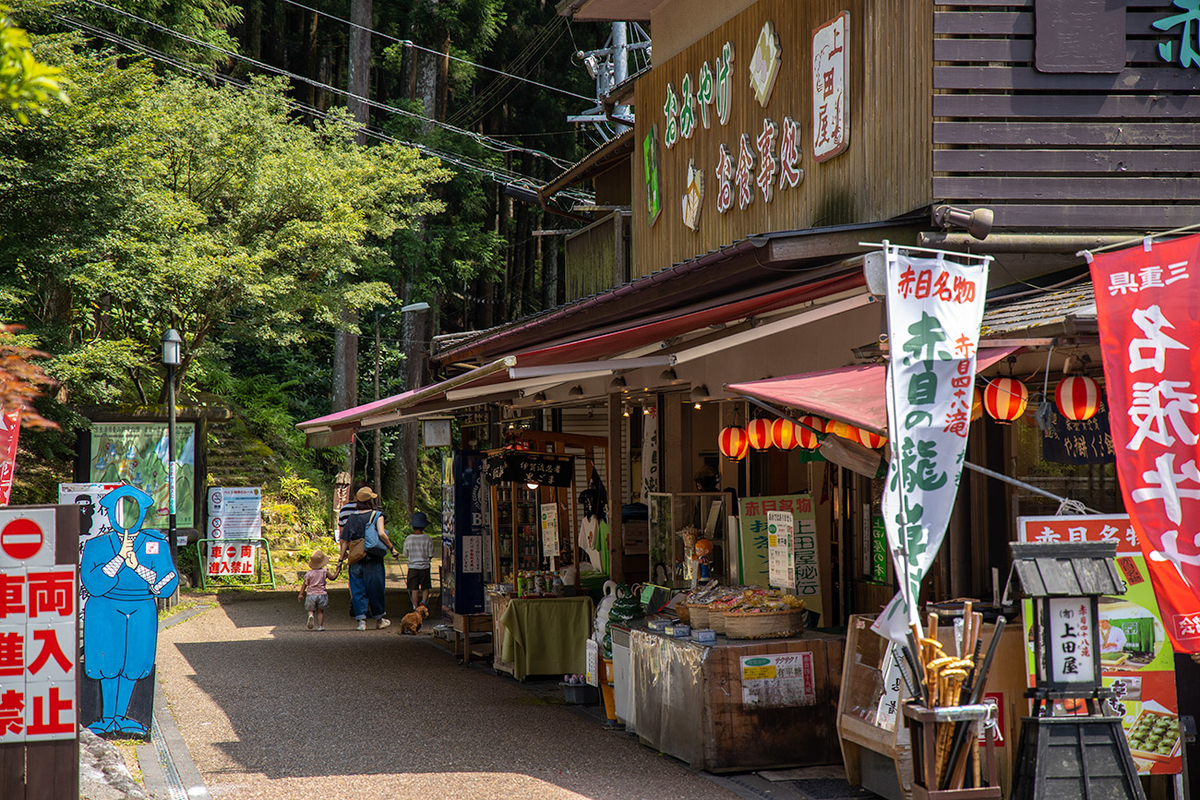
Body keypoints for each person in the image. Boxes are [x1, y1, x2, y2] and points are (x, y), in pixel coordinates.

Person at [80, 484, 179, 736]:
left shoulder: (154, 543)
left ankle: (124, 716)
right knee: (105, 660)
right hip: (104, 607)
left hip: (142, 608)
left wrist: (136, 566)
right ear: (112, 513)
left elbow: (167, 582)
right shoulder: (97, 545)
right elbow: (92, 583)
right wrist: (119, 558)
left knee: (135, 661)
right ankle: (106, 717)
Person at [339, 487, 399, 631]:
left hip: (356, 557)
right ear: (370, 500)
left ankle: (361, 622)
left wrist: (341, 559)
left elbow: (344, 540)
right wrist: (392, 548)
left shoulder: (352, 517)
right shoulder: (377, 515)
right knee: (375, 588)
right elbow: (381, 534)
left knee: (357, 588)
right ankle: (379, 619)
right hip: (373, 557)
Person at [299, 550, 340, 630]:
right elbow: (333, 578)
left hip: (311, 595)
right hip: (322, 594)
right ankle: (320, 626)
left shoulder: (309, 574)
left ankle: (311, 615)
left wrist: (301, 594)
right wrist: (338, 570)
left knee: (311, 610)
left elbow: (304, 584)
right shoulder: (324, 572)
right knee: (320, 611)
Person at [403, 511, 435, 611]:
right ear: (424, 526)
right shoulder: (427, 538)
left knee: (414, 589)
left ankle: (415, 607)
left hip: (412, 567)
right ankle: (424, 603)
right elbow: (431, 554)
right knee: (425, 587)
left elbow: (405, 553)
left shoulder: (409, 539)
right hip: (424, 567)